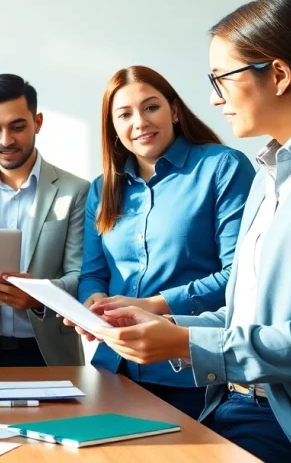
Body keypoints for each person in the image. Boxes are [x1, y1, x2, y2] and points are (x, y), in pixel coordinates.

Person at [67, 0, 291, 463]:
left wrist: (182, 341)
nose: (215, 97)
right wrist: (166, 323)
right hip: (237, 406)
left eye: (222, 78)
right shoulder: (269, 171)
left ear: (278, 75)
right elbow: (249, 317)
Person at [76, 66, 255, 419]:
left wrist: (150, 305)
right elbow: (93, 273)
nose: (140, 122)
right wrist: (92, 303)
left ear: (174, 110)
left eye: (151, 107)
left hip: (191, 375)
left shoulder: (223, 167)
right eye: (124, 114)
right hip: (113, 371)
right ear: (113, 127)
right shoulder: (102, 189)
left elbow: (239, 278)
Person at [0, 74, 88, 368]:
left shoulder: (76, 191)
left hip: (49, 353)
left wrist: (38, 296)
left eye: (18, 127)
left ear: (38, 122)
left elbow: (82, 276)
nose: (6, 140)